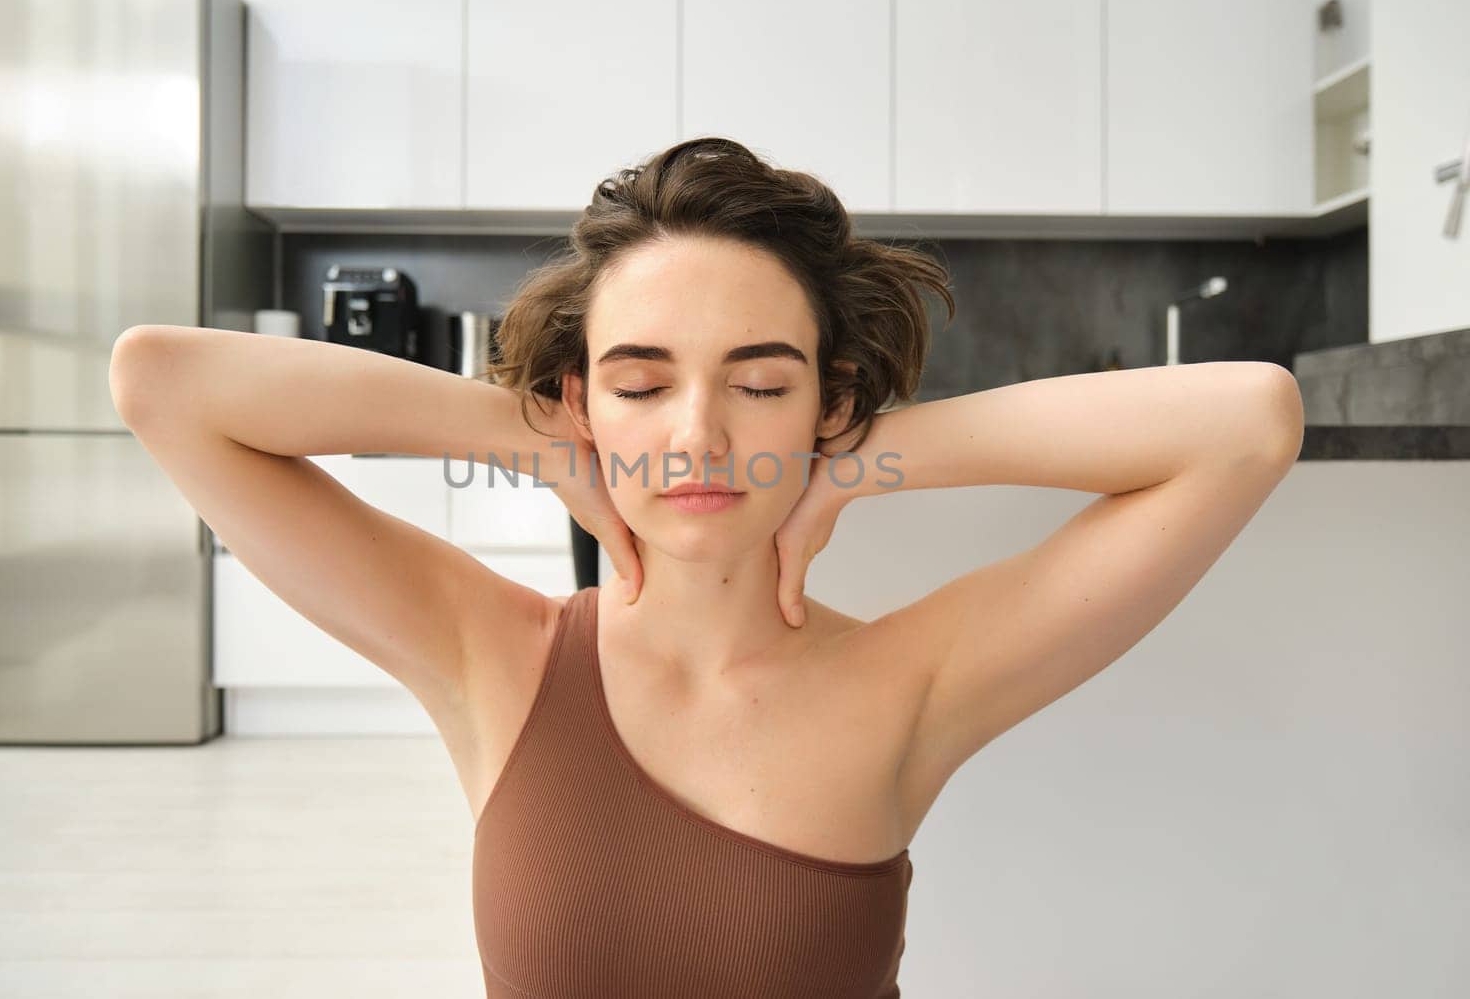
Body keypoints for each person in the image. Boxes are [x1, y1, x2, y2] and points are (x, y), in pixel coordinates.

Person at [108, 136, 1305, 998]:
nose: (696, 434)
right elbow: (160, 381)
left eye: (762, 382)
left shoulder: (914, 679)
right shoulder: (493, 653)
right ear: (586, 398)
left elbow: (1249, 419)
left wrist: (861, 458)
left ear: (826, 398)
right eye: (639, 382)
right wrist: (533, 436)